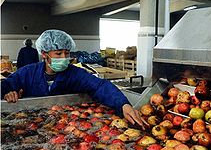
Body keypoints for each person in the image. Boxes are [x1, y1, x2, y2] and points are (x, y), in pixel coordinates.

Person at [2, 29, 147, 128]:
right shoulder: (28, 73)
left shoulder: (74, 74)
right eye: (58, 54)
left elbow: (99, 86)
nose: (64, 58)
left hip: (66, 124)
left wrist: (123, 104)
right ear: (45, 54)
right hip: (34, 124)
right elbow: (6, 85)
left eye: (67, 53)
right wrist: (8, 93)